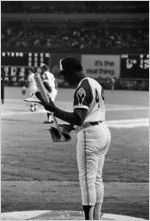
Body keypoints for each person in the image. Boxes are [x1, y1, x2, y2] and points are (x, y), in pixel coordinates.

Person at [39, 57, 111, 220]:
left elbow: (79, 118)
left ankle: (88, 219)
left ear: (73, 71)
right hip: (103, 131)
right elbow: (88, 114)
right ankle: (96, 217)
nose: (65, 78)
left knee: (87, 180)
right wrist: (69, 128)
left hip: (90, 136)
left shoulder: (82, 88)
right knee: (97, 179)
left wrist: (54, 110)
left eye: (66, 74)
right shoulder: (94, 83)